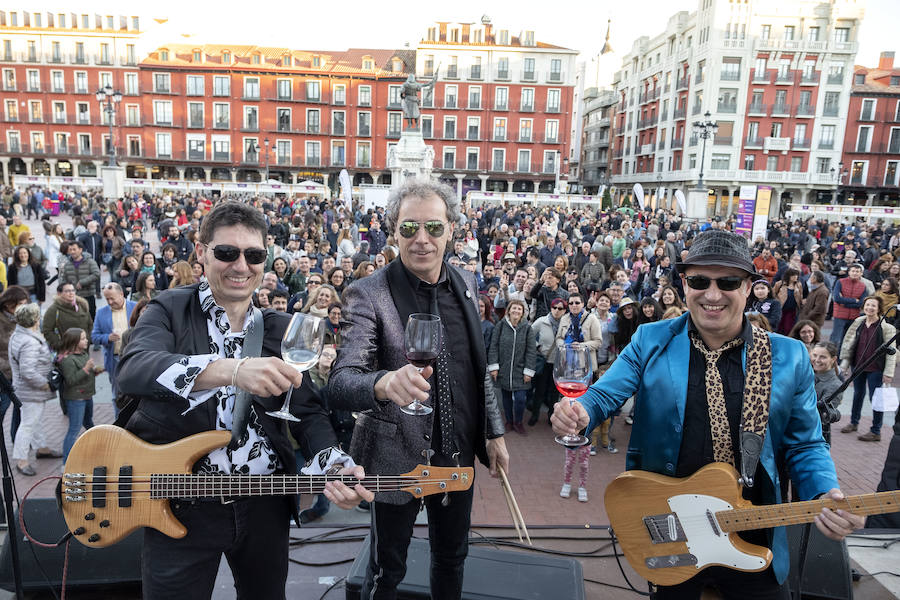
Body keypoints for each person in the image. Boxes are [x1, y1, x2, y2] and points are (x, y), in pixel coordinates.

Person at [552, 229, 865, 599]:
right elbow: (605, 393)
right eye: (700, 280)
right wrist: (581, 411)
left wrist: (824, 492)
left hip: (754, 535)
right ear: (685, 284)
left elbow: (806, 445)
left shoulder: (788, 356)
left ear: (749, 286)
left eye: (728, 281)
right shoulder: (651, 340)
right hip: (672, 528)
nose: (713, 295)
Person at [116, 201, 371, 599]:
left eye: (253, 255)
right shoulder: (169, 308)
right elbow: (134, 369)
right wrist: (230, 370)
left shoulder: (281, 328)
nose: (241, 265)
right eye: (226, 252)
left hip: (263, 502)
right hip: (181, 501)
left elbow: (306, 413)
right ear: (201, 253)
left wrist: (333, 463)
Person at [328, 179, 508, 600]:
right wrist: (384, 383)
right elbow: (340, 382)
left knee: (452, 557)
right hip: (395, 458)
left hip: (457, 451)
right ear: (394, 231)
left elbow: (477, 368)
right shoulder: (368, 293)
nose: (422, 239)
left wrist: (494, 430)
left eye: (433, 227)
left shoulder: (466, 281)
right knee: (386, 569)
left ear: (451, 230)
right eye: (409, 228)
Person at [8, 303, 61, 476]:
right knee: (28, 424)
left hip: (24, 390)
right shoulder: (29, 341)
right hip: (31, 391)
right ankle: (21, 460)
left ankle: (41, 448)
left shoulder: (19, 335)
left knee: (34, 420)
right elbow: (28, 371)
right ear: (35, 319)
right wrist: (45, 384)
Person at [838, 296, 896, 442]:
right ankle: (853, 422)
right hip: (858, 365)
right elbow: (848, 342)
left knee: (875, 399)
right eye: (868, 305)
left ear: (879, 309)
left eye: (873, 306)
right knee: (858, 394)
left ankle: (876, 431)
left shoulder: (886, 327)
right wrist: (845, 364)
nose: (870, 308)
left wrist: (888, 373)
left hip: (876, 368)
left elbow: (892, 352)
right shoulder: (858, 322)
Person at [488, 299, 537, 434]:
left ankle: (519, 422)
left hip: (521, 371)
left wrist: (528, 371)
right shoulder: (501, 326)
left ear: (523, 313)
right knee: (506, 397)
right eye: (513, 308)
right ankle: (509, 421)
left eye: (519, 309)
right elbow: (494, 346)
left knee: (521, 399)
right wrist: (494, 367)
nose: (516, 311)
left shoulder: (527, 328)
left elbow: (531, 351)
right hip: (503, 369)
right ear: (509, 310)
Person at [56, 328, 100, 462]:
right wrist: (86, 369)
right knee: (74, 429)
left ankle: (98, 450)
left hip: (87, 396)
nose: (86, 340)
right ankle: (66, 462)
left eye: (85, 338)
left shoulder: (83, 354)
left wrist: (94, 371)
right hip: (76, 399)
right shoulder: (67, 360)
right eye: (82, 338)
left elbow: (85, 373)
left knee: (89, 423)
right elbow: (71, 380)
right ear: (74, 341)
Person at [91, 283, 136, 404]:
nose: (110, 302)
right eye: (107, 299)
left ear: (121, 294)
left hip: (135, 357)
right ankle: (118, 421)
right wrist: (107, 337)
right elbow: (94, 337)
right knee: (118, 396)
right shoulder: (101, 313)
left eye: (112, 298)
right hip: (115, 359)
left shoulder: (135, 307)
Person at [0, 286, 28, 441]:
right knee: (3, 408)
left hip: (19, 374)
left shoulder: (21, 320)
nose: (23, 307)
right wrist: (8, 364)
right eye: (20, 304)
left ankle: (17, 440)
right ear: (8, 304)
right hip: (4, 376)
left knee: (20, 409)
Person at [41, 282, 93, 352]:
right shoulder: (54, 310)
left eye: (73, 290)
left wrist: (88, 339)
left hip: (83, 349)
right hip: (66, 351)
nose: (71, 293)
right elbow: (47, 330)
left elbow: (90, 324)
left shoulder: (82, 305)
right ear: (59, 293)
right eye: (67, 291)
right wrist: (60, 344)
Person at [830, 263, 868, 351]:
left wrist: (845, 302)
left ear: (861, 273)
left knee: (847, 340)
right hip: (840, 315)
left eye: (857, 271)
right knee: (836, 339)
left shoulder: (863, 286)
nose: (855, 273)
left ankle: (841, 360)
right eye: (853, 271)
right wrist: (854, 300)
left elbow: (861, 303)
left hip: (854, 316)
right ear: (849, 272)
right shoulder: (840, 282)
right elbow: (837, 298)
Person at [61, 241, 101, 319]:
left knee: (90, 317)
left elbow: (96, 274)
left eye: (74, 249)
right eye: (70, 250)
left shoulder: (90, 262)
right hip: (74, 297)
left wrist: (83, 282)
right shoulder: (67, 264)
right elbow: (64, 279)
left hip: (88, 295)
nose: (72, 252)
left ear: (80, 250)